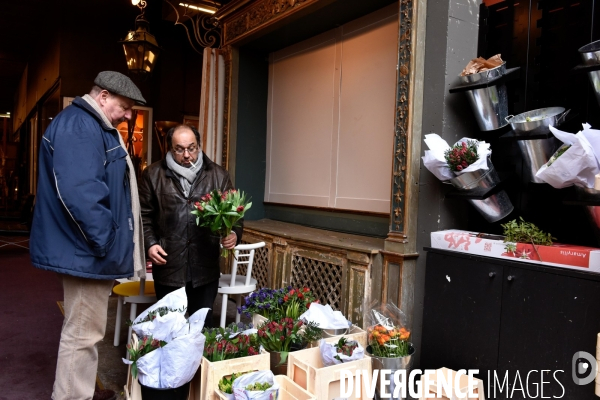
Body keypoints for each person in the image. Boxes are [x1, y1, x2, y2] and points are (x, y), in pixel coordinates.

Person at [29, 71, 147, 400]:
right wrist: (107, 243)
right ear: (103, 96)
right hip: (88, 252)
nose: (127, 115)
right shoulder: (81, 125)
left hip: (87, 251)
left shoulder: (90, 125)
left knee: (86, 332)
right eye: (124, 107)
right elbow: (81, 195)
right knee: (83, 334)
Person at [139, 124, 241, 325]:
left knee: (201, 326)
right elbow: (143, 215)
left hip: (204, 266)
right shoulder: (153, 174)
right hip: (169, 264)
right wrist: (150, 243)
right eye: (179, 149)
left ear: (199, 146)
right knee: (168, 327)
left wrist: (234, 233)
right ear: (170, 148)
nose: (187, 155)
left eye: (191, 148)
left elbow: (235, 212)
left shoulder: (218, 175)